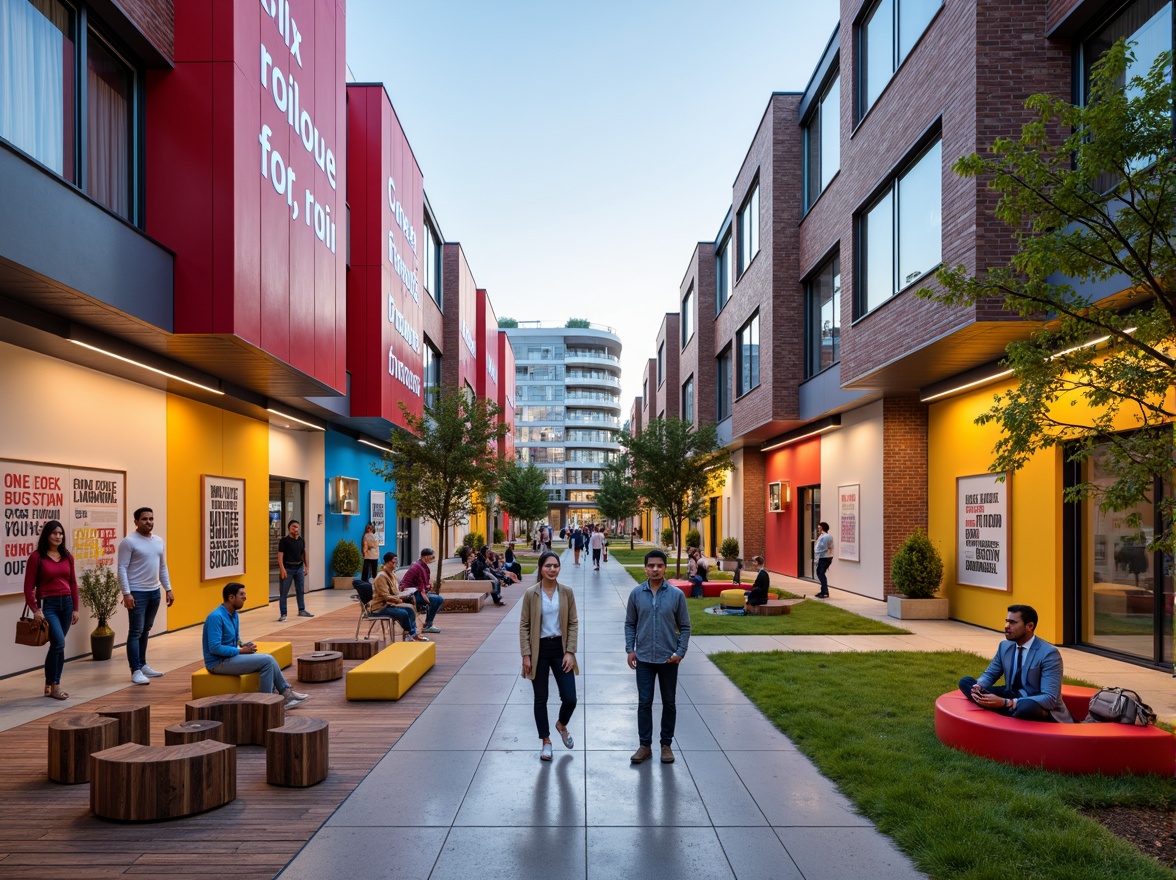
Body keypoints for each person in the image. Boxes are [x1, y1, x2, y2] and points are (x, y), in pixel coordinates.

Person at [625, 548, 691, 764]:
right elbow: (630, 624)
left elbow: (685, 627)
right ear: (645, 568)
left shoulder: (676, 595)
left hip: (668, 660)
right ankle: (645, 746)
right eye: (651, 565)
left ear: (665, 567)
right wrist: (630, 649)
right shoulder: (636, 594)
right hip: (643, 658)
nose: (655, 569)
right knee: (644, 702)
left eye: (659, 565)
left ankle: (666, 745)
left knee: (669, 702)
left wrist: (679, 652)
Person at [958, 605, 1073, 722]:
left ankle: (1001, 708)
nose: (1006, 626)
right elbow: (990, 674)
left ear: (1030, 626)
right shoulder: (1004, 646)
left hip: (1035, 703)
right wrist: (979, 686)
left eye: (1012, 623)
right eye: (1007, 621)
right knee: (966, 682)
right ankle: (1003, 709)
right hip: (1010, 694)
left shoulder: (1048, 653)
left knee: (1026, 707)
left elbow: (1050, 699)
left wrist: (1006, 702)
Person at [202, 583, 309, 709]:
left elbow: (235, 638)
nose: (245, 597)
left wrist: (243, 644)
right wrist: (241, 651)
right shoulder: (216, 617)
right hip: (217, 663)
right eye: (241, 594)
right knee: (267, 661)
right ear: (231, 597)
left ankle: (284, 693)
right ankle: (265, 702)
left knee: (268, 658)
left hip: (229, 657)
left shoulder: (233, 614)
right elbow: (214, 647)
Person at [519, 550, 579, 762]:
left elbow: (573, 623)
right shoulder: (531, 594)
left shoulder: (567, 592)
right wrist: (526, 655)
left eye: (555, 566)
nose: (552, 569)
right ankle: (546, 741)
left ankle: (561, 724)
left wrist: (570, 651)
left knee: (570, 698)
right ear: (541, 568)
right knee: (541, 698)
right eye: (548, 566)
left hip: (560, 650)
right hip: (538, 651)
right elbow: (524, 625)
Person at [23, 520, 80, 700]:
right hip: (49, 606)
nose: (58, 536)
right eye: (54, 533)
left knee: (56, 645)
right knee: (60, 644)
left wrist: (76, 608)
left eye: (61, 533)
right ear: (47, 535)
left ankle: (48, 683)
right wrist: (36, 610)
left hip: (67, 604)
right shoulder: (37, 557)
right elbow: (28, 587)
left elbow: (73, 583)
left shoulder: (67, 557)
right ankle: (56, 685)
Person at [117, 507, 173, 686]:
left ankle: (143, 663)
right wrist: (126, 593)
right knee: (135, 631)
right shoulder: (129, 542)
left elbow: (162, 567)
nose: (148, 522)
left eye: (151, 518)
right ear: (136, 522)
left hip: (154, 591)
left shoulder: (158, 541)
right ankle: (136, 670)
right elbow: (121, 568)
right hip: (137, 593)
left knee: (146, 630)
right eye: (144, 519)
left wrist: (168, 588)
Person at [371, 553, 428, 641]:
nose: (396, 563)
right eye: (394, 561)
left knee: (410, 609)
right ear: (388, 562)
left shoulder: (392, 574)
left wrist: (405, 594)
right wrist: (399, 599)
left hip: (390, 603)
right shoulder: (381, 576)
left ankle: (412, 633)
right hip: (381, 606)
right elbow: (385, 596)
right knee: (403, 613)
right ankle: (409, 634)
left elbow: (395, 592)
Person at [399, 548, 443, 633]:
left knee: (437, 600)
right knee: (438, 599)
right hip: (410, 595)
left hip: (415, 593)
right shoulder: (418, 567)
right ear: (426, 557)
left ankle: (428, 623)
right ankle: (428, 625)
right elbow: (422, 590)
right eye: (432, 557)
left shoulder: (422, 566)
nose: (433, 559)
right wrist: (429, 602)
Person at [277, 520, 313, 621]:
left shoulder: (301, 540)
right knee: (284, 592)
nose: (295, 529)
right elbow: (280, 556)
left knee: (300, 590)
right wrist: (282, 569)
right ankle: (283, 614)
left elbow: (304, 553)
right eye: (293, 527)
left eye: (297, 527)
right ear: (289, 528)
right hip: (287, 569)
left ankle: (302, 610)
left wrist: (306, 566)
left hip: (299, 568)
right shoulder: (284, 540)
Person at [814, 521, 833, 599]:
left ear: (822, 528)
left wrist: (816, 551)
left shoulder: (825, 537)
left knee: (821, 574)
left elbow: (822, 547)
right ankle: (823, 591)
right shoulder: (824, 536)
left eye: (819, 528)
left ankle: (825, 592)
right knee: (821, 574)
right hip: (825, 557)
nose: (818, 529)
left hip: (824, 558)